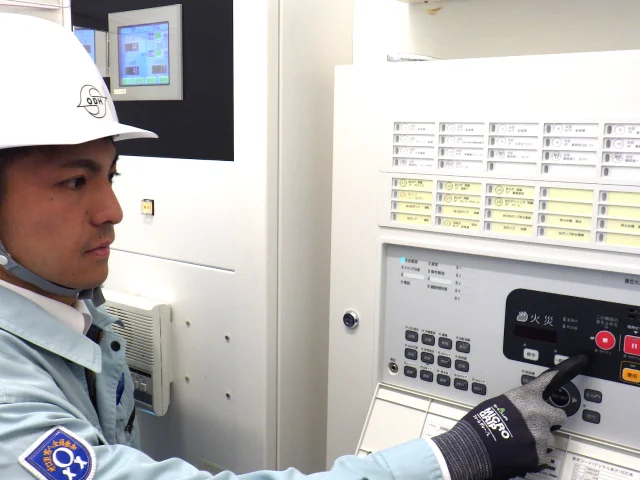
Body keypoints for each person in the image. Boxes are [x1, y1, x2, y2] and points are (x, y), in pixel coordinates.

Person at [0, 12, 589, 480]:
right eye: (73, 182)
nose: (112, 211)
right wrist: (452, 456)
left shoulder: (74, 313)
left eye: (111, 176)